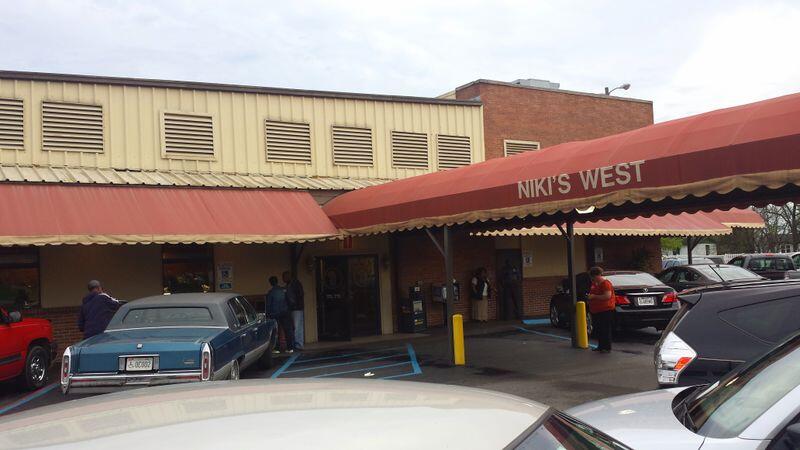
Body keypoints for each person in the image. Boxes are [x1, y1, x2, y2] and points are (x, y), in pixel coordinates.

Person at [587, 266, 615, 353]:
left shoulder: (605, 284)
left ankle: (607, 347)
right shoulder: (594, 284)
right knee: (598, 329)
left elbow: (607, 296)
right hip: (596, 310)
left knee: (605, 329)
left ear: (597, 275)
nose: (592, 279)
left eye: (593, 277)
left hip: (605, 310)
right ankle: (600, 346)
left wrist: (594, 297)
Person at [266, 276, 294, 354]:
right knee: (288, 330)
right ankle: (290, 348)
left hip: (275, 313)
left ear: (270, 283)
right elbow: (290, 300)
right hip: (285, 312)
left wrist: (268, 314)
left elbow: (268, 305)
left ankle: (277, 348)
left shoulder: (271, 292)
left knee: (276, 331)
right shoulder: (284, 290)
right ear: (277, 281)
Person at [283, 271, 305, 351]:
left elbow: (296, 296)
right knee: (296, 327)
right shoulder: (291, 285)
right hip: (295, 308)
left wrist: (293, 305)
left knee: (297, 327)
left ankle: (298, 345)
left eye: (284, 277)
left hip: (296, 308)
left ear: (288, 276)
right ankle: (297, 344)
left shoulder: (294, 284)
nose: (283, 279)